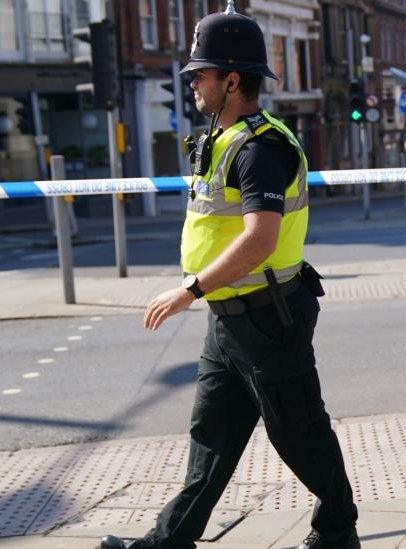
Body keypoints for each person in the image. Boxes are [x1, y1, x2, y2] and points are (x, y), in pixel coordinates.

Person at [100, 4, 359, 549]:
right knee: (211, 437)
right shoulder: (221, 139)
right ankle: (170, 539)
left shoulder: (260, 149)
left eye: (201, 74)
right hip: (231, 315)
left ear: (233, 79)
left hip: (268, 316)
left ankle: (338, 529)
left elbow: (260, 238)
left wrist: (189, 290)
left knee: (299, 432)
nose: (192, 82)